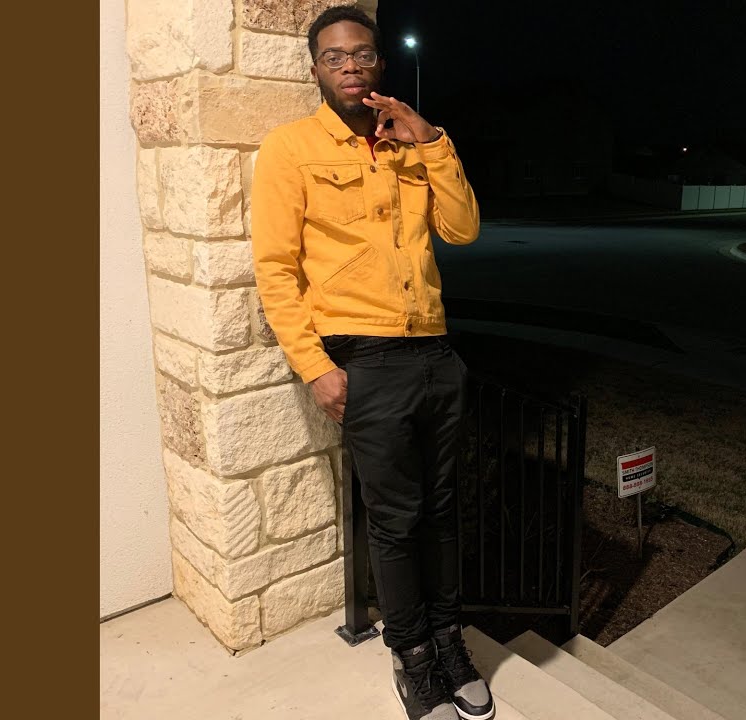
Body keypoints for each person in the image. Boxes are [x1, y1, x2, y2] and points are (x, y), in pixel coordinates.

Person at [250, 7, 488, 720]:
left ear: (380, 64)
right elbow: (275, 267)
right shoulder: (291, 148)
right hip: (366, 360)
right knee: (396, 518)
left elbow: (463, 230)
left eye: (362, 54)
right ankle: (412, 654)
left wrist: (432, 142)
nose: (350, 66)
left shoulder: (413, 146)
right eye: (334, 57)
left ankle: (448, 640)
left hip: (434, 352)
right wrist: (314, 366)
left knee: (442, 510)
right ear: (316, 70)